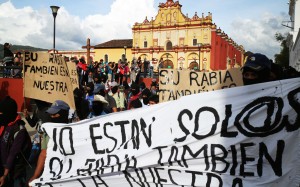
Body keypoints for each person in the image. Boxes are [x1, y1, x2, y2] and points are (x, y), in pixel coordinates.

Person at [28, 100, 70, 186]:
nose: (51, 116)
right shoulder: (48, 131)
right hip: (52, 174)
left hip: (68, 175)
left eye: (54, 114)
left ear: (63, 114)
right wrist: (35, 175)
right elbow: (43, 154)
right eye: (50, 114)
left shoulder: (74, 130)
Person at [0, 96, 32, 187]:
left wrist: (5, 175)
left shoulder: (19, 129)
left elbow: (13, 153)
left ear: (8, 112)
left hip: (16, 172)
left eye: (2, 113)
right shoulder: (4, 124)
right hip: (4, 169)